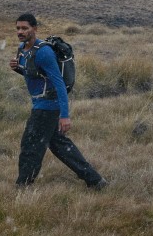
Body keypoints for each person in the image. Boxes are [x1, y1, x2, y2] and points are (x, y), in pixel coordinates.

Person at [8, 13, 109, 190]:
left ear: (34, 29)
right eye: (18, 28)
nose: (20, 32)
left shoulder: (44, 52)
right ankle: (95, 181)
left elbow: (59, 84)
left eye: (25, 28)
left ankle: (23, 186)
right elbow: (36, 76)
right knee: (60, 146)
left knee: (30, 146)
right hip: (41, 104)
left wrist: (65, 115)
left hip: (47, 107)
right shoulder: (23, 48)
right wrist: (18, 69)